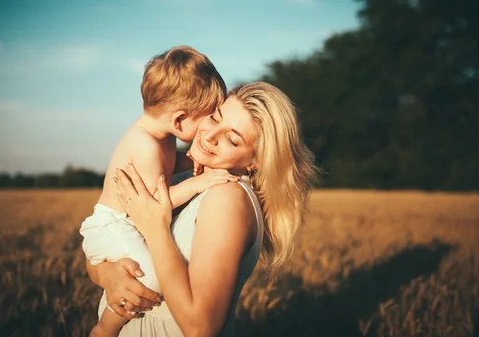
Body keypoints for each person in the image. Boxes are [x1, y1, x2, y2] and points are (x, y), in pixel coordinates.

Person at [87, 82, 318, 336]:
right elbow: (102, 242)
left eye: (231, 139)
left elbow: (201, 328)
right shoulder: (184, 182)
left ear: (255, 162)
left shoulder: (227, 196)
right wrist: (108, 275)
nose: (209, 136)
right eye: (214, 117)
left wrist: (154, 227)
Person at [79, 46, 237, 337]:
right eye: (206, 118)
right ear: (179, 120)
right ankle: (105, 327)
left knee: (140, 273)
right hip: (113, 225)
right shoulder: (145, 145)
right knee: (149, 277)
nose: (207, 128)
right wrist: (198, 182)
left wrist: (190, 162)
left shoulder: (160, 136)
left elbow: (172, 163)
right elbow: (155, 206)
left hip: (125, 222)